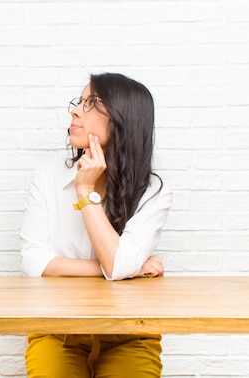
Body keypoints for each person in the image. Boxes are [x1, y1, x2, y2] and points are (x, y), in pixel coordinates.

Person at [20, 72, 172, 377]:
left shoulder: (153, 191)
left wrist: (85, 192)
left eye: (91, 103)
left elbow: (117, 266)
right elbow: (32, 261)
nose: (75, 110)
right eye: (80, 102)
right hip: (57, 331)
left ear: (121, 119)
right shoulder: (47, 177)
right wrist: (127, 268)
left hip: (129, 334)